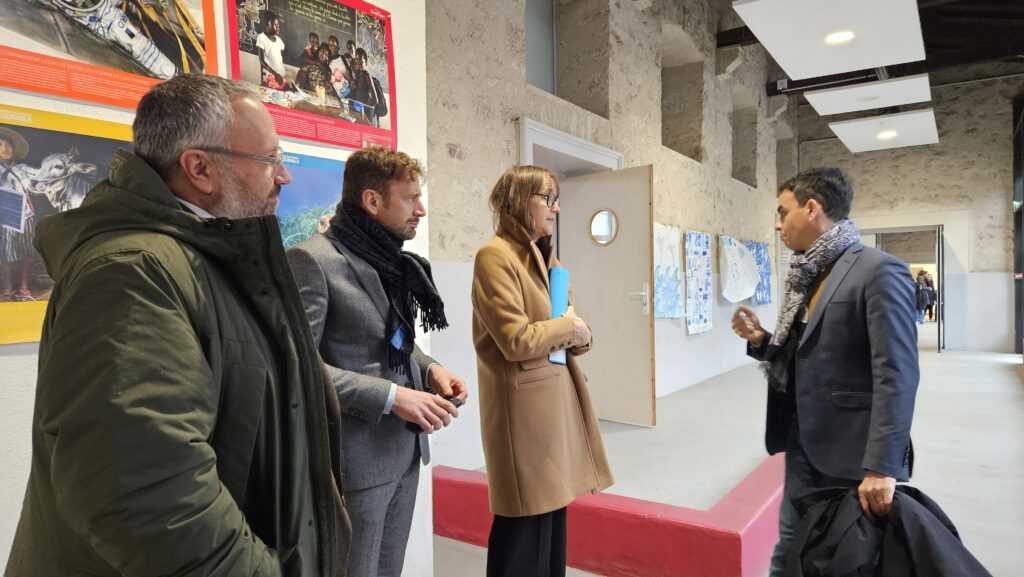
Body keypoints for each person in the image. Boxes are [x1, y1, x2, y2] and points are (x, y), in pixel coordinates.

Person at [5, 74, 350, 577]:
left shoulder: (204, 257)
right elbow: (147, 496)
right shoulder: (132, 273)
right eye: (269, 159)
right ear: (200, 168)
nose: (283, 177)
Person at [287, 146, 467, 577]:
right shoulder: (312, 260)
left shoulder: (391, 261)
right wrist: (391, 396)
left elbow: (392, 340)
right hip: (356, 463)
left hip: (405, 452)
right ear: (372, 200)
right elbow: (296, 366)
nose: (421, 210)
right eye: (411, 198)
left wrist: (430, 368)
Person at [731, 167, 919, 577]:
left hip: (851, 453)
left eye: (783, 212)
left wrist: (883, 465)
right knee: (789, 547)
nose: (778, 224)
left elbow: (896, 373)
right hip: (803, 440)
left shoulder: (878, 271)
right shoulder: (807, 273)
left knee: (843, 559)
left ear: (812, 208)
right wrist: (762, 339)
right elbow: (807, 350)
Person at [471, 166, 613, 577]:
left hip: (552, 412)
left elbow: (568, 326)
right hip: (524, 417)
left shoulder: (545, 258)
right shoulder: (494, 256)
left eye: (556, 199)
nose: (556, 208)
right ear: (519, 201)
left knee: (550, 536)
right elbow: (515, 339)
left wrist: (580, 334)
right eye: (547, 198)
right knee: (522, 537)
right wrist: (570, 328)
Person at [0, 126, 36, 302]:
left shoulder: (22, 168)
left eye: (7, 144)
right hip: (5, 218)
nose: (4, 148)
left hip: (25, 216)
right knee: (5, 251)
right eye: (0, 145)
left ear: (14, 148)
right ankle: (6, 283)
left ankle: (24, 285)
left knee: (26, 251)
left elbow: (36, 182)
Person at [256, 11, 287, 89]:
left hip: (281, 76)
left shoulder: (279, 40)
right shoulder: (261, 38)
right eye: (275, 25)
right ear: (268, 24)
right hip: (271, 76)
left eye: (278, 25)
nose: (278, 28)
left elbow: (282, 54)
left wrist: (279, 71)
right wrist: (275, 74)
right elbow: (262, 61)